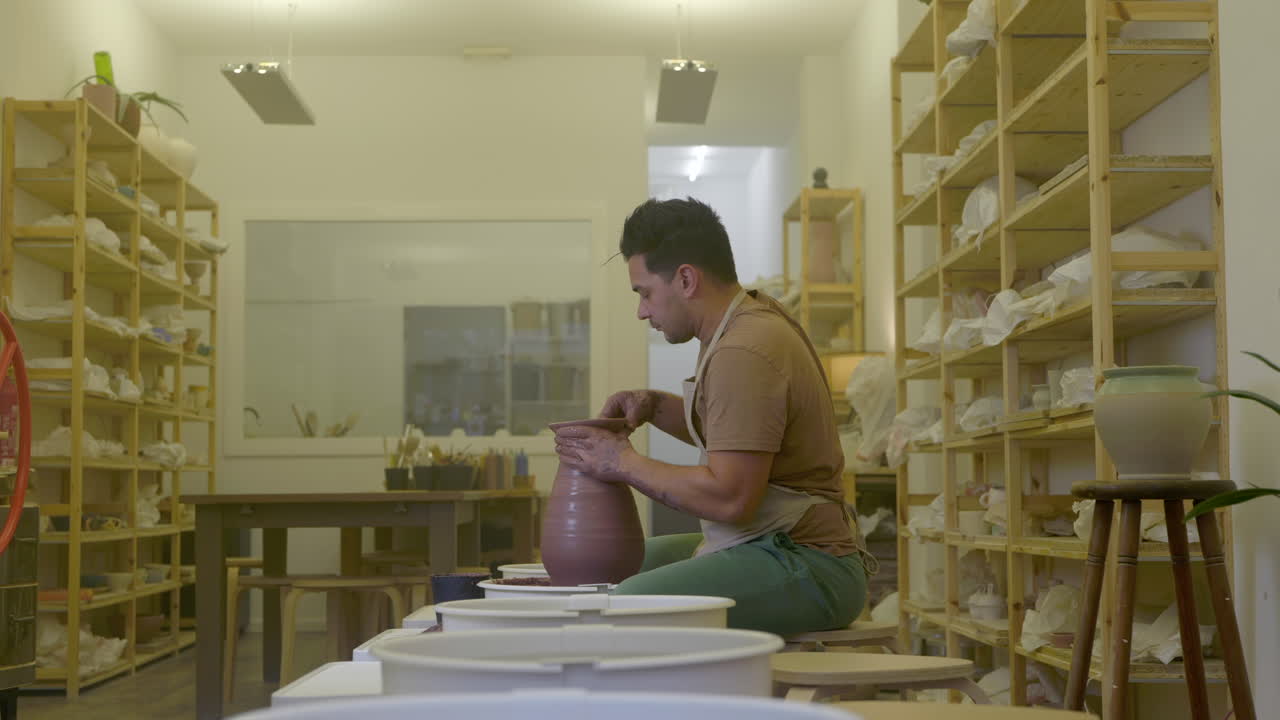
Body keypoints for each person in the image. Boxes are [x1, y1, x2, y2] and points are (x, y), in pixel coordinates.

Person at [552, 197, 871, 636]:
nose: (641, 311)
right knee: (612, 565)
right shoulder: (743, 322)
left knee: (616, 610)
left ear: (685, 279)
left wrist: (620, 462)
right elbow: (743, 433)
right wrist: (655, 406)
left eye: (644, 293)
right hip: (769, 543)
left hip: (809, 563)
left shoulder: (744, 348)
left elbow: (730, 498)